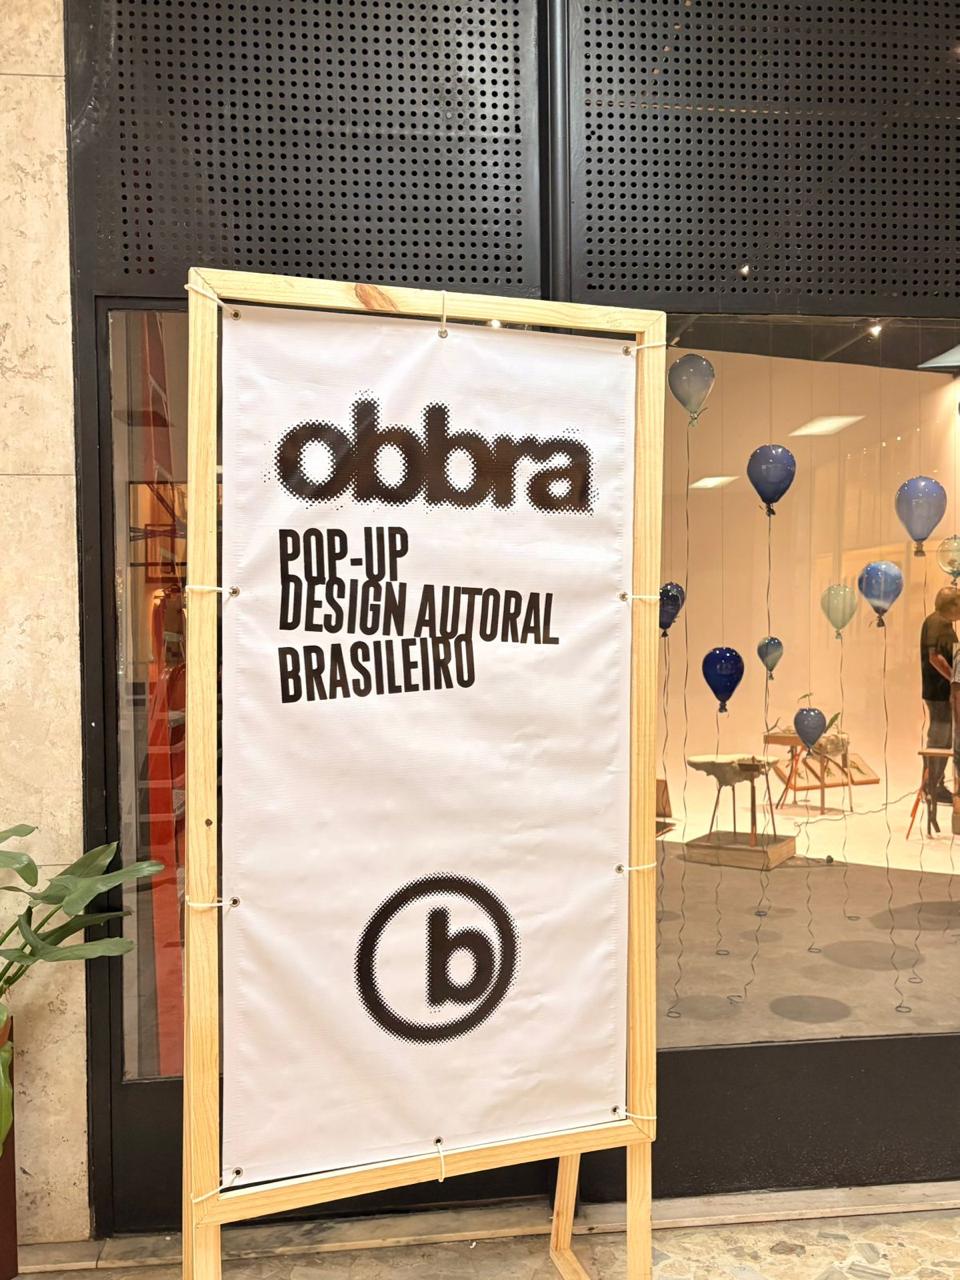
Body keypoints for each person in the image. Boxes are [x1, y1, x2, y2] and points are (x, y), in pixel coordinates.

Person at [920, 586, 960, 804]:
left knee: (942, 738)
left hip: (940, 692)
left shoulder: (939, 623)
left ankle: (934, 784)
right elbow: (934, 656)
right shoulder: (938, 623)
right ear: (952, 604)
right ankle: (931, 786)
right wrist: (954, 678)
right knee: (940, 739)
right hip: (939, 692)